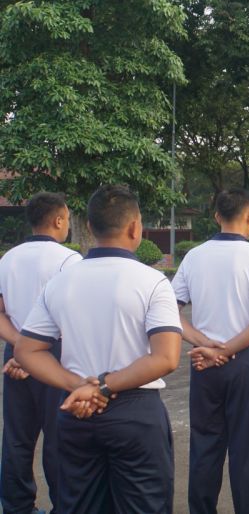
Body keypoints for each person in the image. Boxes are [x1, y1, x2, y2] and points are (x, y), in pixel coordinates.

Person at [15, 185, 182, 512]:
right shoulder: (152, 282)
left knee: (80, 505)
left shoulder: (60, 282)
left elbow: (26, 350)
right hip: (135, 411)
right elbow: (165, 357)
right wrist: (104, 386)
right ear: (136, 228)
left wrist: (80, 387)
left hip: (77, 409)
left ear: (88, 227)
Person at [172, 188, 249, 514]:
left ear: (217, 216)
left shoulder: (194, 257)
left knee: (205, 444)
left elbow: (170, 312)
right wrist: (229, 349)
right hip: (246, 360)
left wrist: (205, 344)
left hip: (204, 362)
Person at [0, 192, 82, 514]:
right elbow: (73, 316)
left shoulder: (8, 258)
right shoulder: (69, 260)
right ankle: (64, 505)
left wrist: (21, 349)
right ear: (59, 220)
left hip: (15, 355)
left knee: (17, 438)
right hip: (55, 354)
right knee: (58, 437)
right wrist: (33, 353)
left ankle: (16, 507)